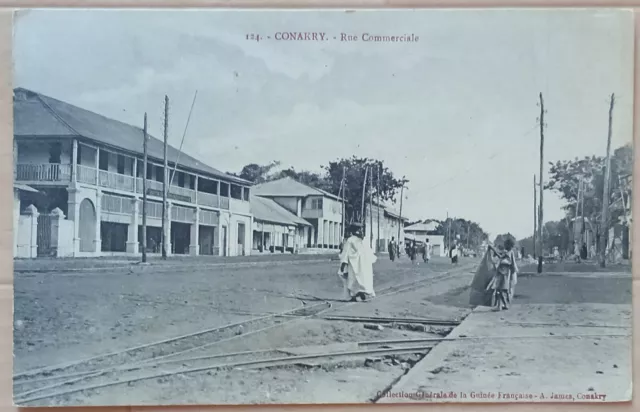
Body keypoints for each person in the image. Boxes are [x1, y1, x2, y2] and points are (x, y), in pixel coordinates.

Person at [338, 223, 377, 302]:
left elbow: (346, 252)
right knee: (362, 277)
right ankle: (361, 292)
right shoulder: (363, 240)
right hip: (364, 263)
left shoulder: (350, 240)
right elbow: (369, 252)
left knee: (352, 278)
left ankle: (354, 295)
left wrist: (343, 263)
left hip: (354, 263)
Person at [487, 238, 518, 310]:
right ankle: (504, 305)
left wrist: (492, 249)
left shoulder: (508, 253)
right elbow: (501, 256)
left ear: (508, 245)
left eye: (506, 244)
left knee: (500, 290)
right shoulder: (509, 252)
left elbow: (503, 258)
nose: (504, 245)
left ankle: (499, 306)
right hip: (504, 273)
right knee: (502, 290)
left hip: (504, 273)